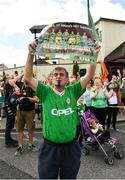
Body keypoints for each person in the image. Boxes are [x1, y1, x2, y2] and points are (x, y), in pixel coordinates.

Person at [24, 41, 100, 179]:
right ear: (52, 79)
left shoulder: (73, 90)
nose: (58, 76)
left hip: (71, 148)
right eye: (55, 74)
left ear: (66, 79)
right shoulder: (45, 92)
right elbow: (28, 78)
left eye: (62, 74)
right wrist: (30, 53)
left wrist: (94, 55)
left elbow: (89, 75)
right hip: (49, 148)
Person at [14, 81, 39, 156]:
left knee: (30, 129)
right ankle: (20, 146)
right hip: (20, 111)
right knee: (19, 129)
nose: (25, 79)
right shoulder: (21, 86)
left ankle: (30, 145)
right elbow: (12, 81)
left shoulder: (33, 88)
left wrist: (26, 98)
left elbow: (36, 100)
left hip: (29, 112)